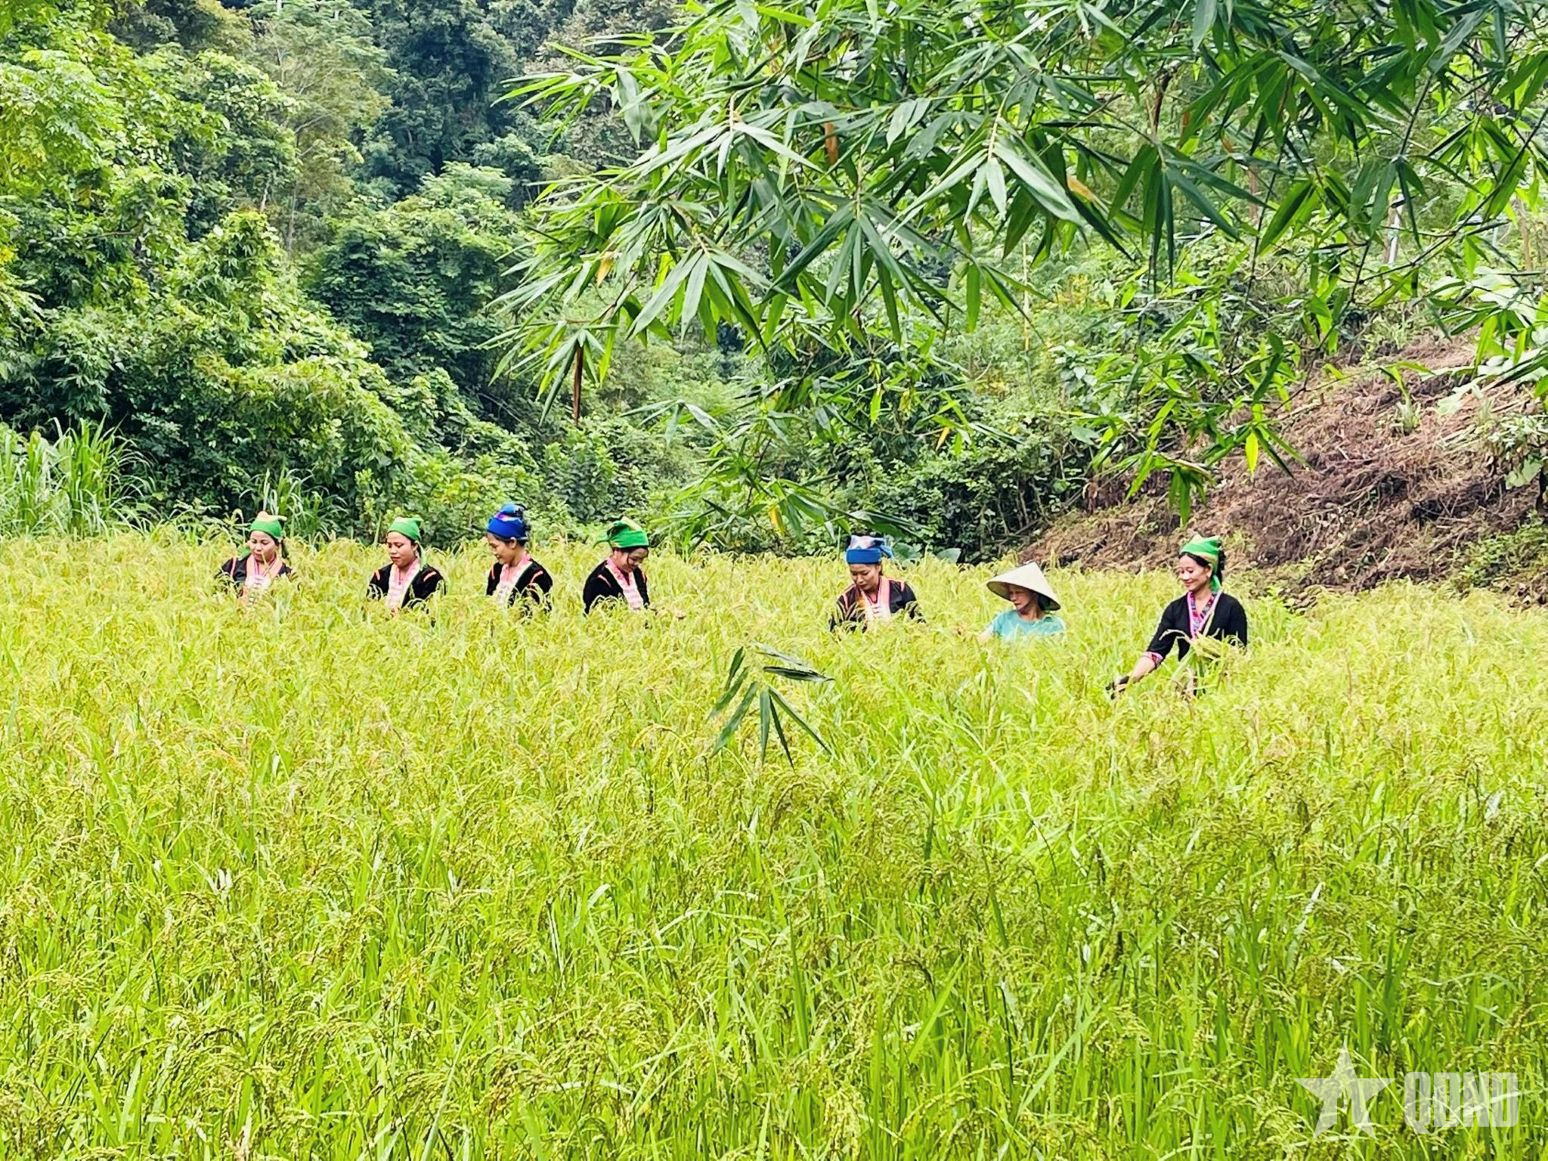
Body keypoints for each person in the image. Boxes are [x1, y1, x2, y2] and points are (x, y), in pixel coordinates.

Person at [1110, 535, 1247, 695]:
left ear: (1208, 570)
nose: (1185, 577)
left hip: (1220, 690)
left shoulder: (1230, 607)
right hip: (1185, 689)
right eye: (1181, 572)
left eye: (1190, 571)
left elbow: (1238, 654)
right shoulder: (1175, 609)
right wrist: (1130, 679)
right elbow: (1156, 652)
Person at [830, 534, 921, 630]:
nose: (859, 579)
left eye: (865, 573)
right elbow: (833, 636)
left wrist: (894, 623)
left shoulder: (901, 589)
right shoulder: (846, 599)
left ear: (878, 567)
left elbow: (920, 627)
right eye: (854, 574)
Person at [366, 516, 444, 612]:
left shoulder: (429, 578)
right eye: (389, 546)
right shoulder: (380, 576)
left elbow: (431, 614)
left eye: (399, 545)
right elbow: (368, 609)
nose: (393, 551)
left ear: (414, 546)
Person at [484, 503, 552, 610]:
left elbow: (541, 617)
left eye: (495, 546)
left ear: (512, 542)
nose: (493, 552)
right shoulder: (496, 571)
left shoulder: (537, 576)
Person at [978, 561, 1064, 642]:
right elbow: (980, 642)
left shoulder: (1053, 624)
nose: (1013, 598)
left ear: (1034, 593)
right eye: (1011, 593)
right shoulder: (1004, 619)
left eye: (1018, 593)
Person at [218, 512, 294, 598]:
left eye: (264, 543)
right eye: (253, 542)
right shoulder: (233, 565)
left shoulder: (287, 574)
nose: (257, 548)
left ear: (277, 545)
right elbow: (215, 595)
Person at [583, 519, 651, 613]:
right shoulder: (599, 580)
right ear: (616, 551)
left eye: (641, 560)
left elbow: (646, 606)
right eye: (634, 559)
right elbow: (600, 618)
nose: (637, 564)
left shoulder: (639, 575)